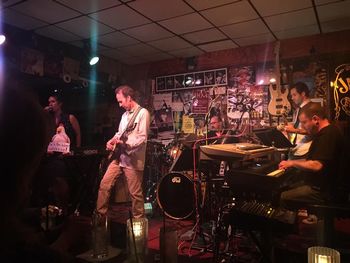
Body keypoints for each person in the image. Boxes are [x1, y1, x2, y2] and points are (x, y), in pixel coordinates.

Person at [0, 86, 81, 262]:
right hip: (52, 159)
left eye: (53, 101)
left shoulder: (69, 118)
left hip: (65, 158)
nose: (50, 104)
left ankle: (59, 209)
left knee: (59, 174)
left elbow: (77, 136)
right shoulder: (48, 118)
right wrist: (66, 238)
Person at [96, 85, 150, 218]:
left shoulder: (143, 113)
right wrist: (112, 140)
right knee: (104, 185)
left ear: (129, 98)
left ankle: (139, 222)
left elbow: (142, 138)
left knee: (135, 194)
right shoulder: (124, 115)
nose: (119, 105)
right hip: (119, 156)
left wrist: (125, 144)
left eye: (121, 101)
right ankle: (100, 216)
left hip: (132, 159)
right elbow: (120, 133)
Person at [279, 102, 345, 206]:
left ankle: (289, 220)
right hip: (320, 185)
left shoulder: (327, 135)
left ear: (315, 119)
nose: (303, 127)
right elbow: (311, 160)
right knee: (288, 186)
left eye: (304, 122)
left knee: (283, 196)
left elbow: (316, 165)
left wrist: (292, 163)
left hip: (324, 191)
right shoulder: (325, 132)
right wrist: (289, 162)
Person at [283, 82, 312, 159]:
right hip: (296, 148)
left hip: (306, 149)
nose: (292, 98)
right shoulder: (298, 109)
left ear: (303, 94)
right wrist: (287, 127)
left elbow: (312, 130)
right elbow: (297, 126)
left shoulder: (311, 108)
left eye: (294, 95)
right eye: (291, 95)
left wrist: (294, 130)